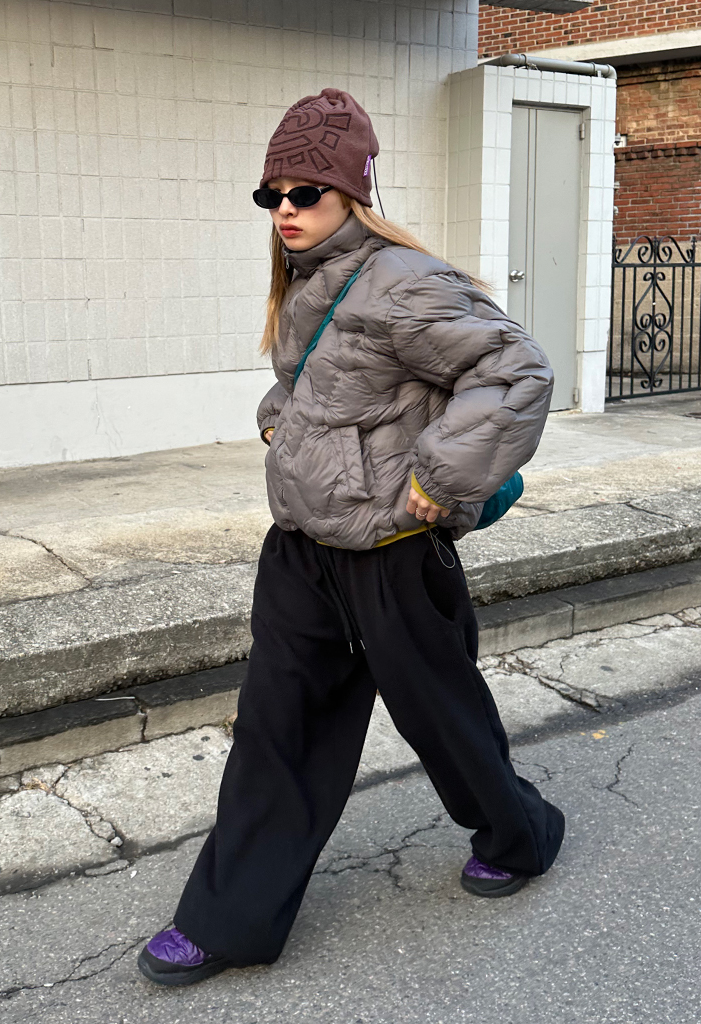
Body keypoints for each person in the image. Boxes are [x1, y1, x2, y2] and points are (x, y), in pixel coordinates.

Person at [138, 88, 565, 988]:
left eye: (307, 193)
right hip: (302, 549)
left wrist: (438, 478)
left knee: (442, 718)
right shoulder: (308, 281)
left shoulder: (403, 280)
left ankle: (520, 835)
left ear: (353, 194)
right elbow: (334, 385)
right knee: (276, 728)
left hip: (391, 554)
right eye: (273, 195)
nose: (285, 210)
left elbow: (516, 371)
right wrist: (279, 416)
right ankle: (228, 919)